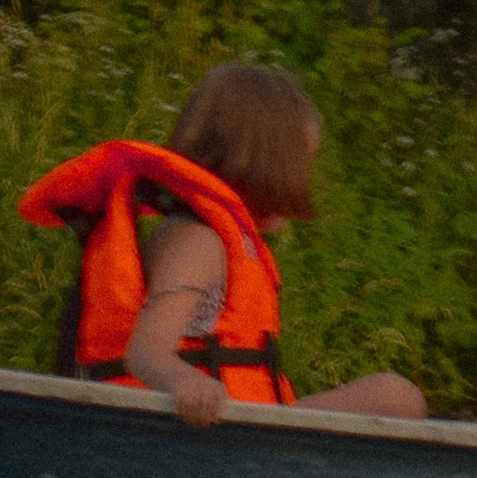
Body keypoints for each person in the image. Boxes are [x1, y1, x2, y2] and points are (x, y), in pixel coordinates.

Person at [23, 58, 427, 426]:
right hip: (199, 431)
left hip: (241, 423)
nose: (304, 183)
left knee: (395, 397)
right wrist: (185, 383)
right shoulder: (198, 242)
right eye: (300, 166)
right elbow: (145, 352)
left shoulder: (217, 235)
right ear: (267, 164)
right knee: (398, 396)